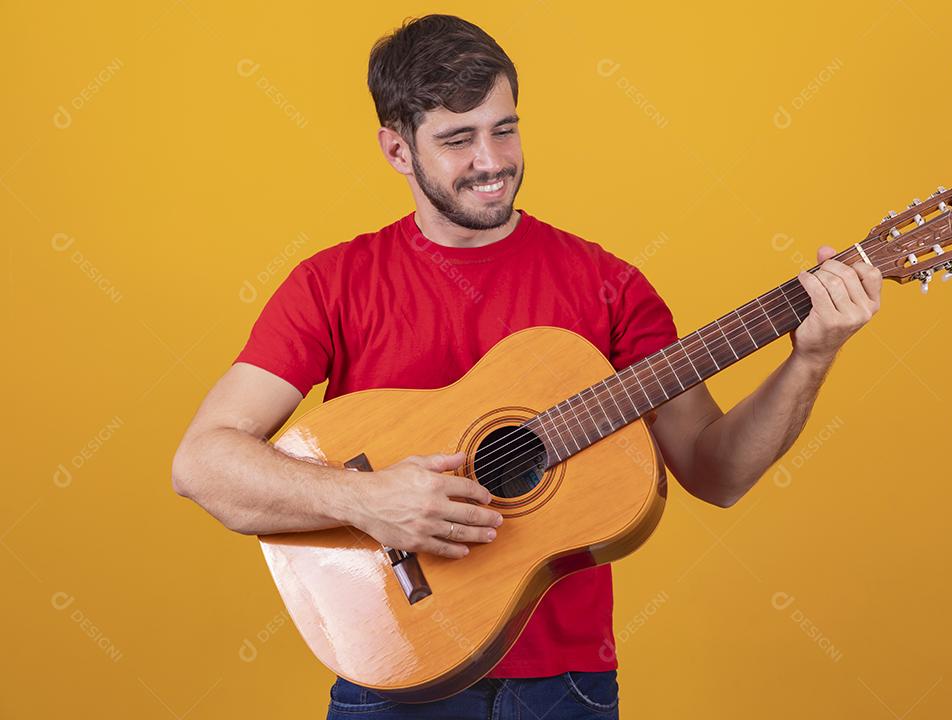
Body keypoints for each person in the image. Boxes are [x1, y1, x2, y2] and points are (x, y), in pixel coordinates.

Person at [171, 14, 882, 719]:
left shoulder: (609, 285)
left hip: (567, 690)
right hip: (391, 676)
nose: (491, 161)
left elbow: (715, 472)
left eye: (503, 128)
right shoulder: (333, 283)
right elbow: (202, 464)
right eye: (457, 139)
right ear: (396, 149)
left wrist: (811, 358)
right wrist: (368, 501)